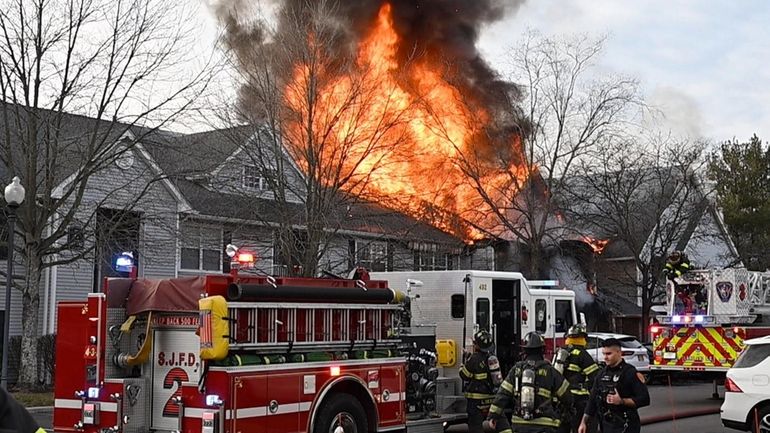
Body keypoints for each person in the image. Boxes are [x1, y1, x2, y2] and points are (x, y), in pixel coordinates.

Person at [488, 332, 573, 433]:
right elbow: (567, 397)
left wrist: (493, 416)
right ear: (542, 350)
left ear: (524, 350)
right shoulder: (550, 371)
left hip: (520, 424)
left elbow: (503, 394)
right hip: (545, 425)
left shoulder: (517, 369)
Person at [578, 338, 650, 433]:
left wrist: (622, 401)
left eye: (609, 354)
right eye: (604, 354)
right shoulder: (601, 374)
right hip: (606, 425)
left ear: (619, 353)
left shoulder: (630, 373)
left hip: (626, 425)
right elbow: (592, 400)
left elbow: (644, 399)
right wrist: (583, 422)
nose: (605, 357)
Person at [553, 324, 600, 433]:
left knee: (563, 427)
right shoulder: (583, 355)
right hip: (579, 400)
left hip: (562, 399)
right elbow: (595, 379)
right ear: (583, 338)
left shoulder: (559, 353)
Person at [459, 329, 503, 433]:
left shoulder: (474, 359)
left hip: (476, 400)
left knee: (475, 426)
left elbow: (465, 375)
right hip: (490, 398)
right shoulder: (492, 358)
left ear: (478, 345)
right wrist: (468, 356)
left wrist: (462, 367)